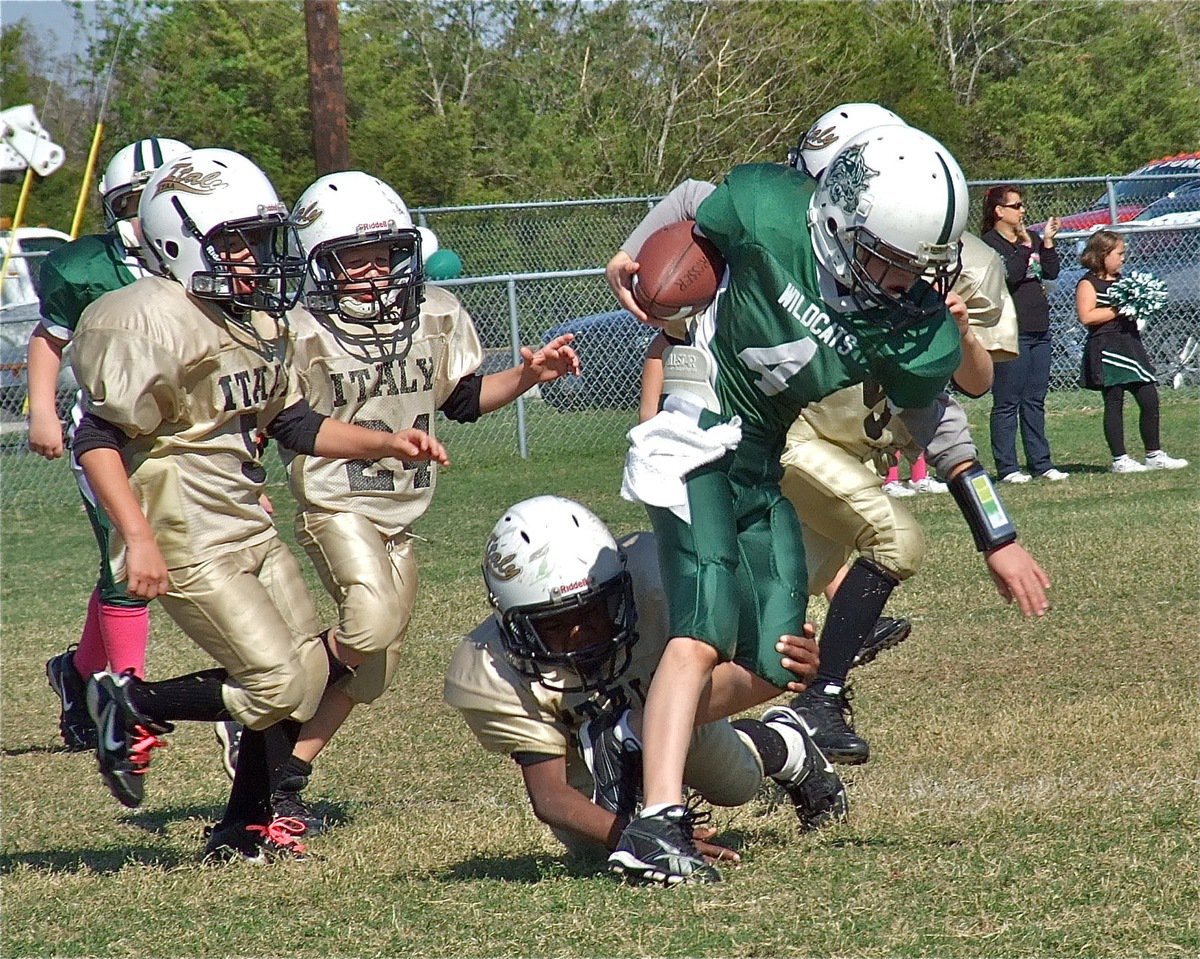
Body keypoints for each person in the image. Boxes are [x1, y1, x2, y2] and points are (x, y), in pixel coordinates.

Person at [606, 122, 972, 883]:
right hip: (696, 432)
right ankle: (656, 822)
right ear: (839, 226)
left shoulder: (901, 320)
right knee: (704, 625)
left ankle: (633, 732)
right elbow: (684, 233)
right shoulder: (768, 211)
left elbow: (949, 398)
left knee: (778, 665)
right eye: (891, 262)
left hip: (760, 463)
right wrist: (638, 261)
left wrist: (994, 528)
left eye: (921, 269)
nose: (906, 284)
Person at [69, 148, 448, 863]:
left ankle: (241, 828)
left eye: (259, 240)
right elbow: (96, 437)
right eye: (236, 241)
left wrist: (383, 441)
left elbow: (295, 425)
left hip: (247, 519)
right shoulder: (150, 319)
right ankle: (130, 701)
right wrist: (137, 538)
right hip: (187, 531)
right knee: (273, 680)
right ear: (179, 240)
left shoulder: (257, 322)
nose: (255, 258)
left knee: (303, 679)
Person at [639, 228, 1051, 765]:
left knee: (765, 654)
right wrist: (632, 256)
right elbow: (703, 204)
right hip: (785, 446)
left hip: (833, 468)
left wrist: (1000, 537)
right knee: (897, 540)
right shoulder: (839, 302)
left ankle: (651, 731)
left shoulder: (924, 357)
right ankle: (822, 698)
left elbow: (958, 433)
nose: (911, 292)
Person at [268, 171, 580, 829]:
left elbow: (460, 400)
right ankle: (262, 706)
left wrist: (528, 375)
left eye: (384, 255)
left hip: (400, 515)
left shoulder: (431, 313)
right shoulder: (298, 329)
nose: (375, 271)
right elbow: (291, 426)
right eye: (355, 257)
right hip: (335, 502)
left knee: (373, 671)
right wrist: (381, 443)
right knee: (369, 625)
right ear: (320, 259)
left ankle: (285, 777)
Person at [444, 496, 846, 881]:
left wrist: (786, 663)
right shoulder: (491, 668)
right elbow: (550, 796)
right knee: (590, 849)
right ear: (513, 623)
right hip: (582, 760)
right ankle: (628, 769)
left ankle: (784, 744)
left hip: (671, 717)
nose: (582, 634)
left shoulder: (657, 580)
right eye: (554, 625)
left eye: (594, 611)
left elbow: (754, 650)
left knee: (736, 785)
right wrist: (637, 837)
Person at [26, 137, 208, 754]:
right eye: (136, 200)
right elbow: (51, 339)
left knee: (160, 556)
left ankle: (78, 673)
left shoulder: (207, 257)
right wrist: (43, 411)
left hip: (189, 432)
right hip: (108, 432)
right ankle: (121, 699)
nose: (151, 211)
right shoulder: (88, 266)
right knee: (129, 561)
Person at [1076, 229, 1187, 472]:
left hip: (1130, 343)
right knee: (1114, 400)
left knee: (1149, 398)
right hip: (1107, 347)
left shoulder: (1122, 280)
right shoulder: (1088, 282)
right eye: (1119, 253)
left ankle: (1154, 454)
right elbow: (1086, 316)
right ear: (1103, 254)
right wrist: (1120, 308)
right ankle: (1120, 459)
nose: (1123, 258)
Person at [980, 184, 1069, 484]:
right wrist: (1024, 247)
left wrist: (1047, 242)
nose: (1022, 210)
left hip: (1038, 327)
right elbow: (1009, 275)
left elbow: (1052, 272)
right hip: (1010, 331)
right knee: (1007, 401)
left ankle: (1041, 463)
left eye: (1022, 205)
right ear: (999, 211)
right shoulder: (989, 244)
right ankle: (1007, 468)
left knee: (1035, 399)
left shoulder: (1028, 239)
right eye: (1016, 206)